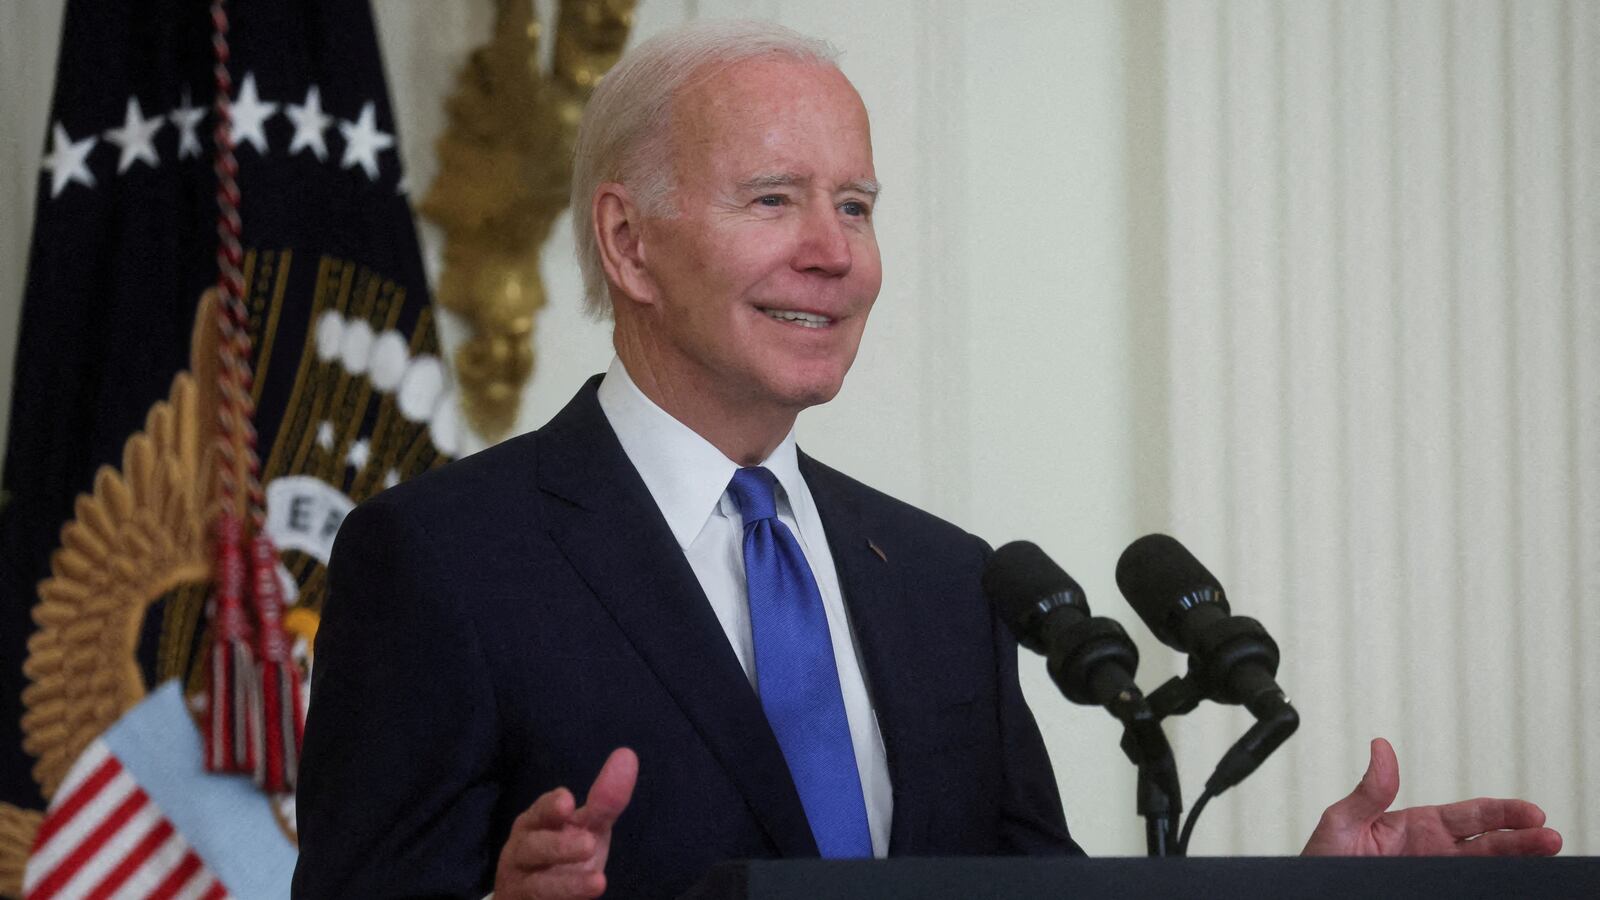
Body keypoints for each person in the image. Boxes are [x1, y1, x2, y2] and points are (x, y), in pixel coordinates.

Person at [291, 20, 1562, 900]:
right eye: (774, 198)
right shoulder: (447, 560)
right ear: (628, 245)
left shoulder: (948, 583)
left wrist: (1305, 897)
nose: (834, 253)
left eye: (856, 206)